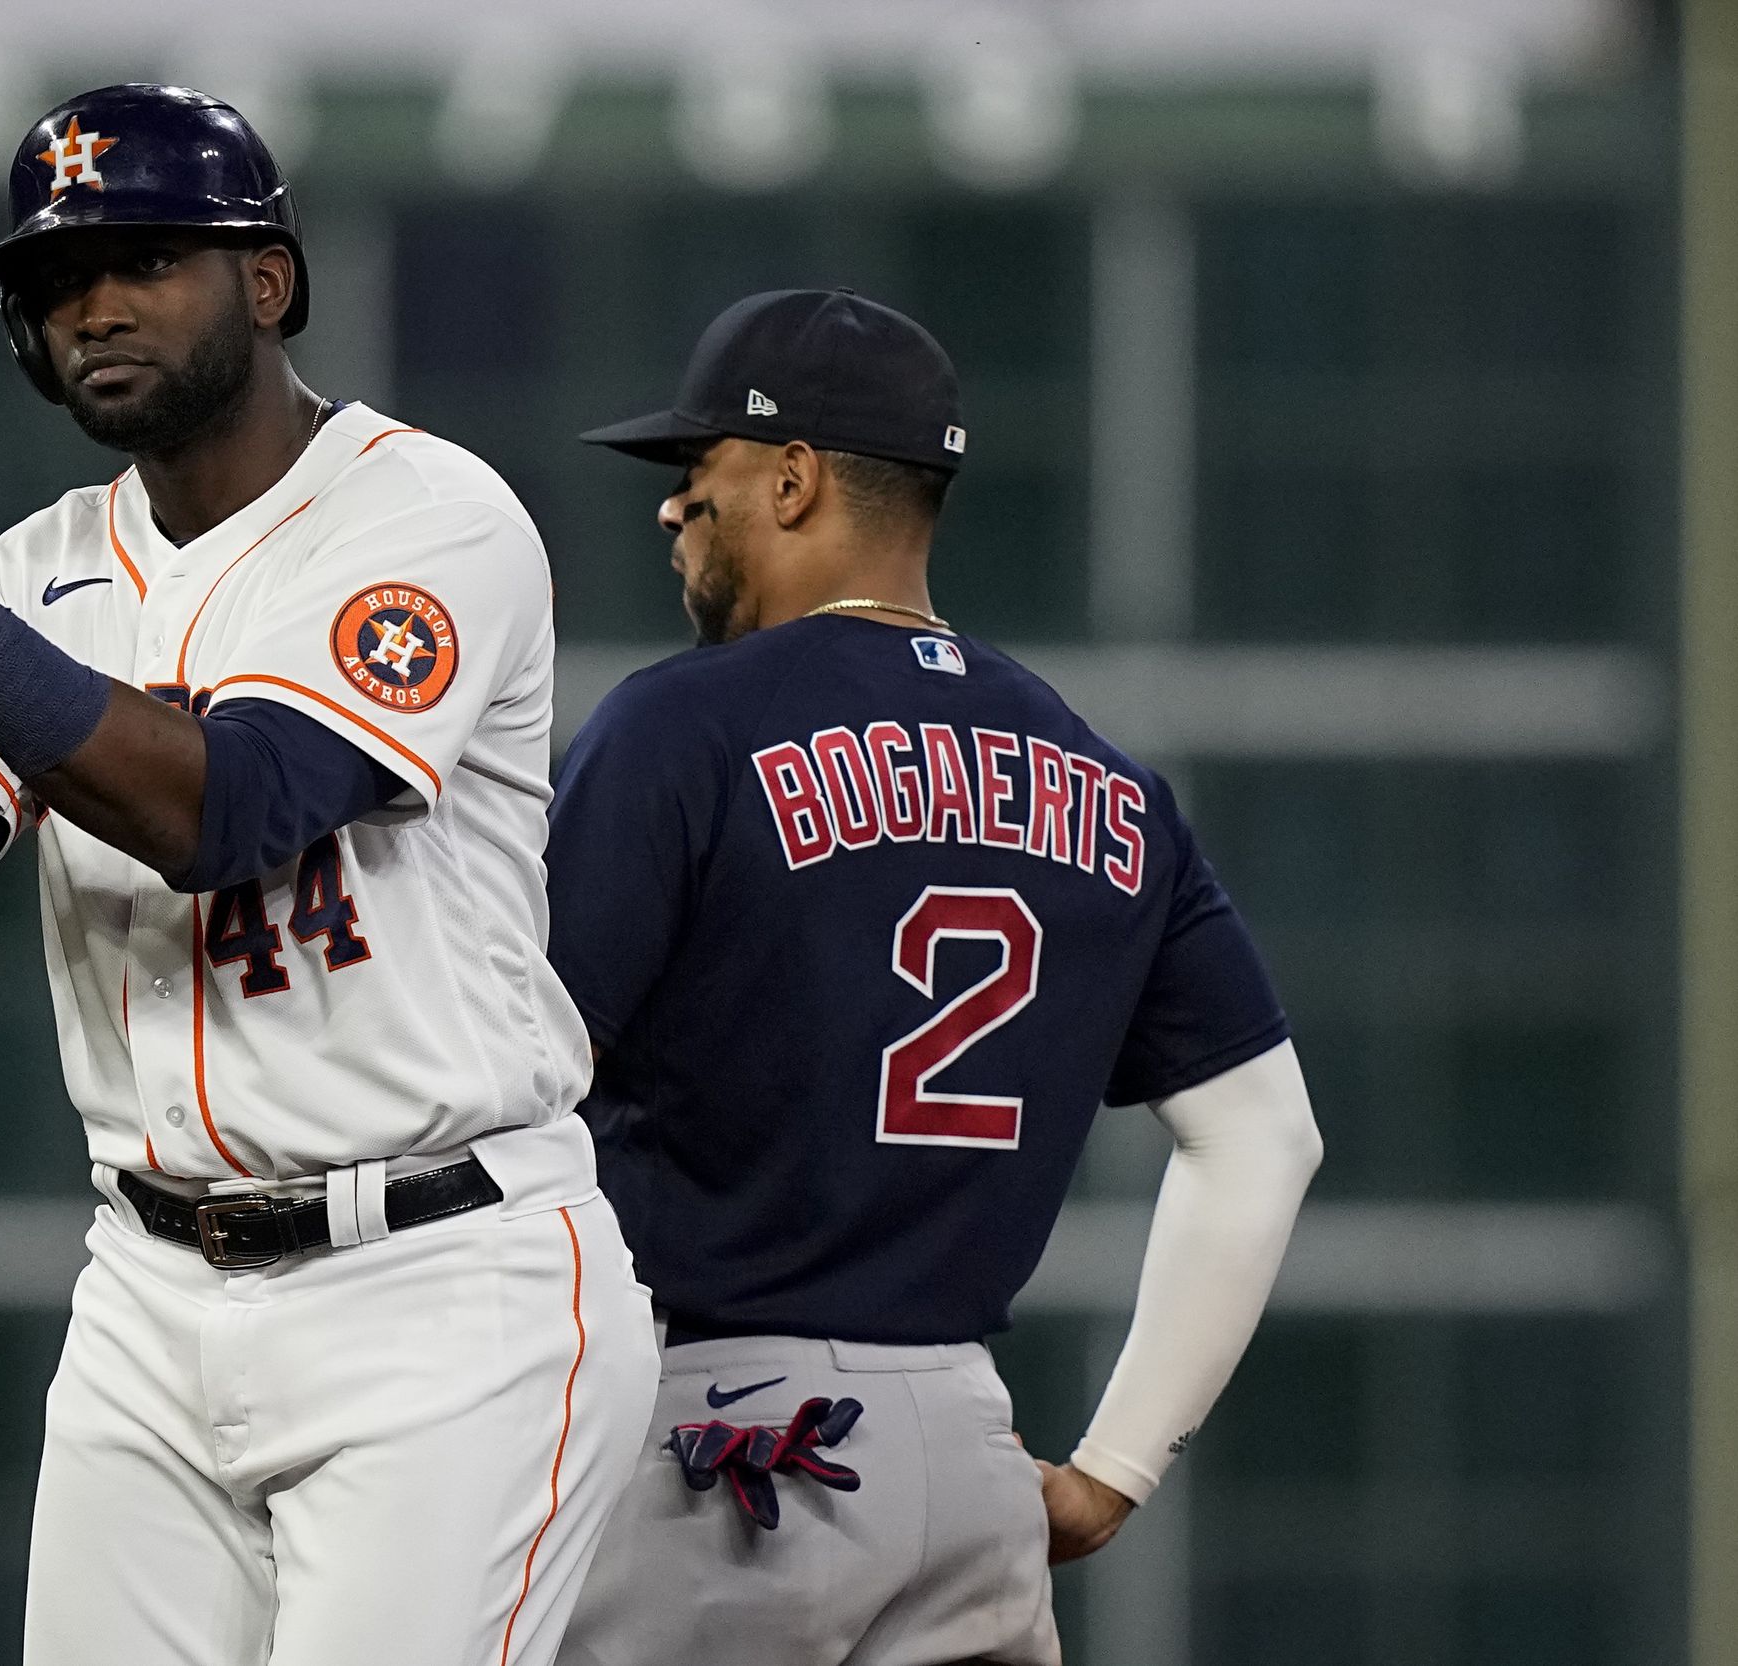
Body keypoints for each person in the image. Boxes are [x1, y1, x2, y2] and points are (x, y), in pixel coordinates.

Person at [0, 83, 656, 1666]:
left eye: (144, 259)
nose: (94, 306)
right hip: (147, 1285)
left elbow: (238, 810)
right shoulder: (37, 566)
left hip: (441, 1282)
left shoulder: (426, 516)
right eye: (56, 283)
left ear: (265, 283)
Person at [543, 289, 1324, 1665]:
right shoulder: (1109, 780)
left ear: (791, 480)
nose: (675, 509)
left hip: (718, 1449)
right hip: (969, 1461)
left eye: (700, 471)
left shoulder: (681, 727)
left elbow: (517, 1079)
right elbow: (1266, 1137)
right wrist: (1115, 1465)